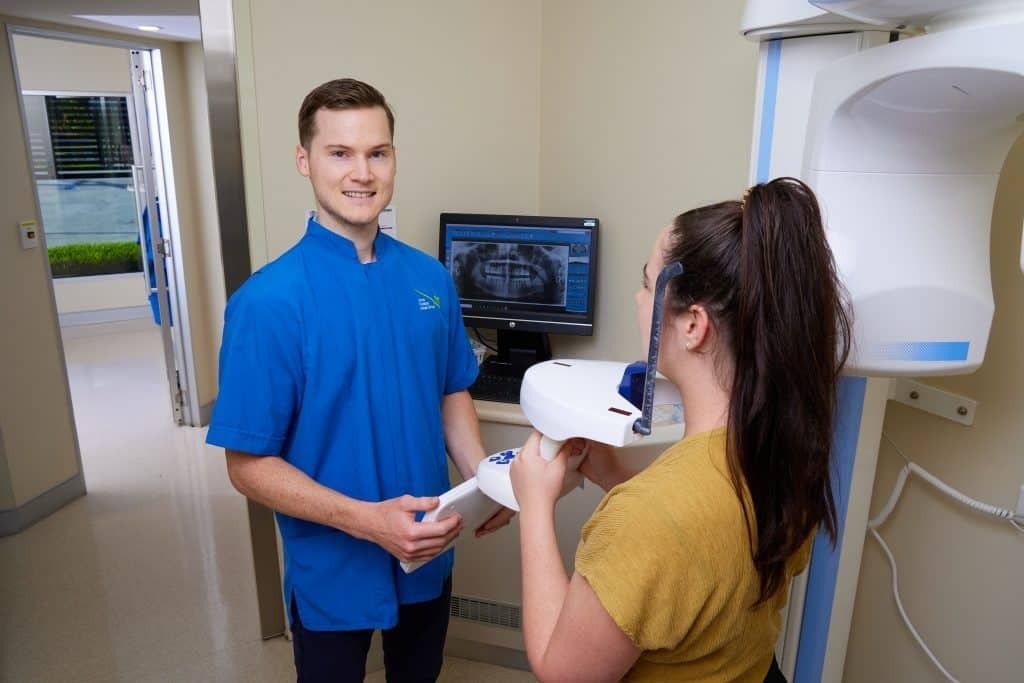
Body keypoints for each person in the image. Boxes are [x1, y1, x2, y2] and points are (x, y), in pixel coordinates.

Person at [206, 78, 514, 682]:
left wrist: (482, 477)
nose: (362, 173)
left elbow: (452, 389)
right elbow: (246, 465)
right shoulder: (267, 303)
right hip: (332, 569)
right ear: (304, 160)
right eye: (339, 153)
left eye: (378, 152)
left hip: (428, 548)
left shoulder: (430, 280)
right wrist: (367, 521)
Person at [510, 177, 851, 682]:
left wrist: (534, 506)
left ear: (694, 325)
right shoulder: (787, 452)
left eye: (648, 283)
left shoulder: (648, 517)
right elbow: (702, 552)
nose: (638, 296)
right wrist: (615, 476)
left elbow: (564, 673)